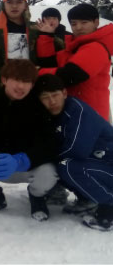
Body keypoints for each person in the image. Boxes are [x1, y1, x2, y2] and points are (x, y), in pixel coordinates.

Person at [0, 59, 57, 221]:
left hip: (26, 167)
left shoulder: (38, 106)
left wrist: (24, 159)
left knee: (49, 172)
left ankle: (37, 197)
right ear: (4, 80)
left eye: (27, 81)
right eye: (17, 80)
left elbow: (49, 143)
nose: (21, 86)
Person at [34, 74, 113, 231]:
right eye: (45, 97)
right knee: (59, 162)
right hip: (97, 166)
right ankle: (87, 199)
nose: (52, 101)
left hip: (108, 164)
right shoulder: (51, 115)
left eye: (55, 95)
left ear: (64, 93)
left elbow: (77, 150)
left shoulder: (78, 111)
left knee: (65, 165)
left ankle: (108, 208)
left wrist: (41, 157)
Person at [37, 3, 113, 121]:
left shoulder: (96, 47)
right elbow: (48, 62)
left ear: (96, 22)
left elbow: (70, 76)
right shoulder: (74, 48)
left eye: (84, 22)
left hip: (91, 115)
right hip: (77, 112)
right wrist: (46, 35)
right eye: (74, 23)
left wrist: (36, 72)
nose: (78, 27)